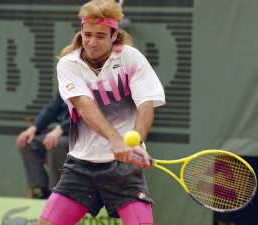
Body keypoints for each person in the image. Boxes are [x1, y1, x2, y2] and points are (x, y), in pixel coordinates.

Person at [37, 0, 165, 224]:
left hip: (125, 170)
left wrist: (137, 140)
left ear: (114, 35)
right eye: (87, 34)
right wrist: (115, 140)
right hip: (81, 167)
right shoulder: (68, 64)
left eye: (100, 35)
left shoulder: (131, 58)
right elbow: (85, 106)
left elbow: (145, 103)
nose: (92, 42)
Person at [17, 91, 70, 199]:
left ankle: (58, 192)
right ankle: (43, 189)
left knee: (55, 143)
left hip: (83, 136)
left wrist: (61, 128)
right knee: (28, 142)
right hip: (64, 133)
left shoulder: (92, 84)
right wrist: (34, 128)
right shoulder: (67, 82)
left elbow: (86, 113)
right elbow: (51, 109)